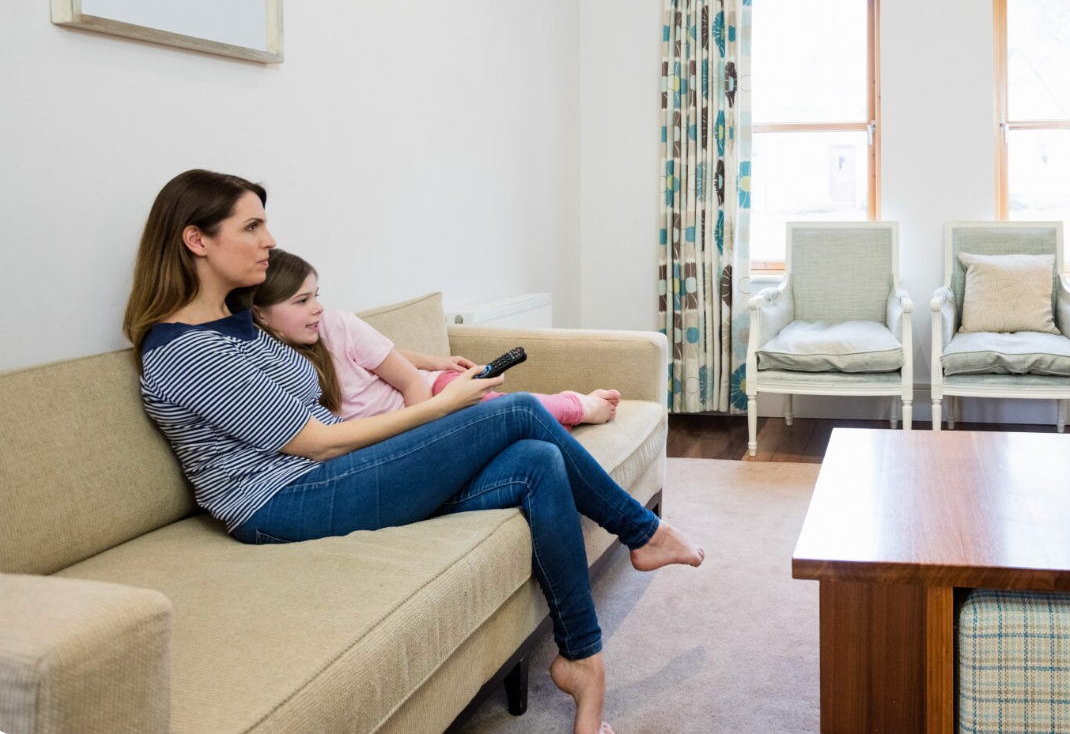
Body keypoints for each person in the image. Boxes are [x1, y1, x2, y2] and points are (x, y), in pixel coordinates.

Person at [125, 169, 700, 734]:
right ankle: (642, 531)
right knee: (518, 412)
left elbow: (340, 349)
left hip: (322, 476)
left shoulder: (238, 322)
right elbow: (317, 441)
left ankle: (580, 659)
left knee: (538, 461)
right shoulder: (183, 351)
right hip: (282, 500)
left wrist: (427, 367)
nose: (269, 241)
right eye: (251, 227)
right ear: (196, 241)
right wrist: (440, 409)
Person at [235, 248, 621, 428]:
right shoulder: (267, 363)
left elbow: (400, 373)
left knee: (509, 408)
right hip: (404, 422)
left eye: (316, 296)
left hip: (430, 393)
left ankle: (580, 405)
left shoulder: (336, 325)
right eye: (302, 301)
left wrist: (435, 372)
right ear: (260, 315)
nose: (317, 307)